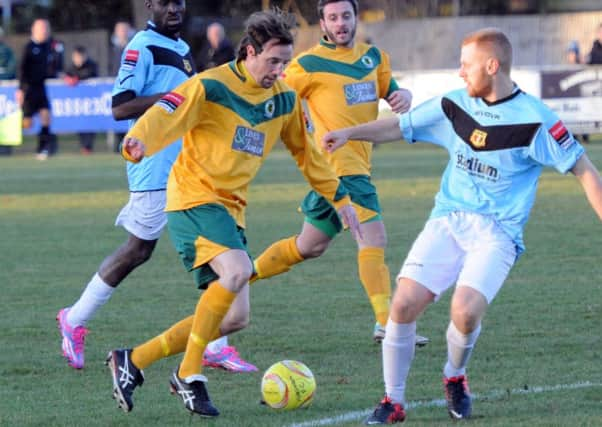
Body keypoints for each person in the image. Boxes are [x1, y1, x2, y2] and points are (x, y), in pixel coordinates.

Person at [321, 28, 602, 424]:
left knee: (465, 312)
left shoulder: (536, 121)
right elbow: (398, 127)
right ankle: (392, 401)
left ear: (492, 66)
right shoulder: (454, 105)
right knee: (401, 305)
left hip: (498, 233)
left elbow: (585, 171)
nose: (459, 72)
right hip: (448, 221)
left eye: (466, 64)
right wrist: (350, 133)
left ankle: (454, 376)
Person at [106, 9, 361, 417]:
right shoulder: (210, 85)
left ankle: (133, 360)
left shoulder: (284, 100)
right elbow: (165, 113)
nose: (279, 71)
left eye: (285, 63)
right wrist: (137, 140)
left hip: (231, 210)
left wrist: (342, 200)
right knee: (238, 270)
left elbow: (309, 158)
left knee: (234, 318)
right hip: (193, 198)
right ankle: (189, 374)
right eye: (272, 61)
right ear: (248, 52)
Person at [57, 0, 255, 375]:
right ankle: (74, 318)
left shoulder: (181, 48)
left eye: (178, 2)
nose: (173, 8)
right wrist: (177, 100)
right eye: (164, 2)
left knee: (210, 242)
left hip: (185, 166)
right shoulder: (141, 46)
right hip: (152, 162)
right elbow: (120, 107)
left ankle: (215, 343)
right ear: (150, 5)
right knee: (138, 249)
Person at [251, 0, 428, 347]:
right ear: (322, 23)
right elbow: (271, 92)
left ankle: (239, 278)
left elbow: (391, 93)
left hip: (347, 170)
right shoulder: (307, 65)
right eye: (332, 18)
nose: (340, 23)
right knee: (373, 239)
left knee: (308, 246)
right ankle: (386, 323)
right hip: (339, 169)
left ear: (356, 18)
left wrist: (402, 94)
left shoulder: (372, 58)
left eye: (346, 16)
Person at [16, 18, 63, 160]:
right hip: (29, 89)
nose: (45, 31)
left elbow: (53, 66)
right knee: (26, 123)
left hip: (41, 88)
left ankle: (43, 148)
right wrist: (20, 90)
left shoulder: (49, 46)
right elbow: (22, 70)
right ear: (34, 30)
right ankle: (7, 141)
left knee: (46, 117)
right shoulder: (29, 47)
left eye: (46, 28)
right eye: (42, 28)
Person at [65, 45, 99, 154]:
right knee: (80, 123)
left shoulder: (92, 65)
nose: (78, 59)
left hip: (91, 101)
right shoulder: (70, 68)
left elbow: (90, 74)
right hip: (77, 102)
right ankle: (84, 147)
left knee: (90, 123)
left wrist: (76, 79)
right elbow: (66, 75)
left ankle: (88, 146)